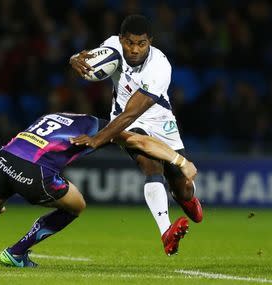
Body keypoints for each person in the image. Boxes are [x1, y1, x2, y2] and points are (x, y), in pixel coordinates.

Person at [0, 112, 197, 268]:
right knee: (77, 205)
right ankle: (16, 252)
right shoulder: (99, 127)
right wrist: (180, 161)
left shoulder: (57, 116)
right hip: (35, 171)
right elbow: (141, 143)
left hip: (5, 158)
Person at [69, 14, 203, 255]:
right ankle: (166, 232)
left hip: (157, 119)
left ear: (149, 41)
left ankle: (187, 198)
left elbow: (133, 112)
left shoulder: (160, 67)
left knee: (180, 186)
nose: (134, 49)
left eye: (141, 44)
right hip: (125, 121)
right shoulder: (111, 46)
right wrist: (73, 59)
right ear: (121, 39)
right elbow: (86, 58)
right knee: (150, 166)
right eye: (129, 43)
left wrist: (98, 139)